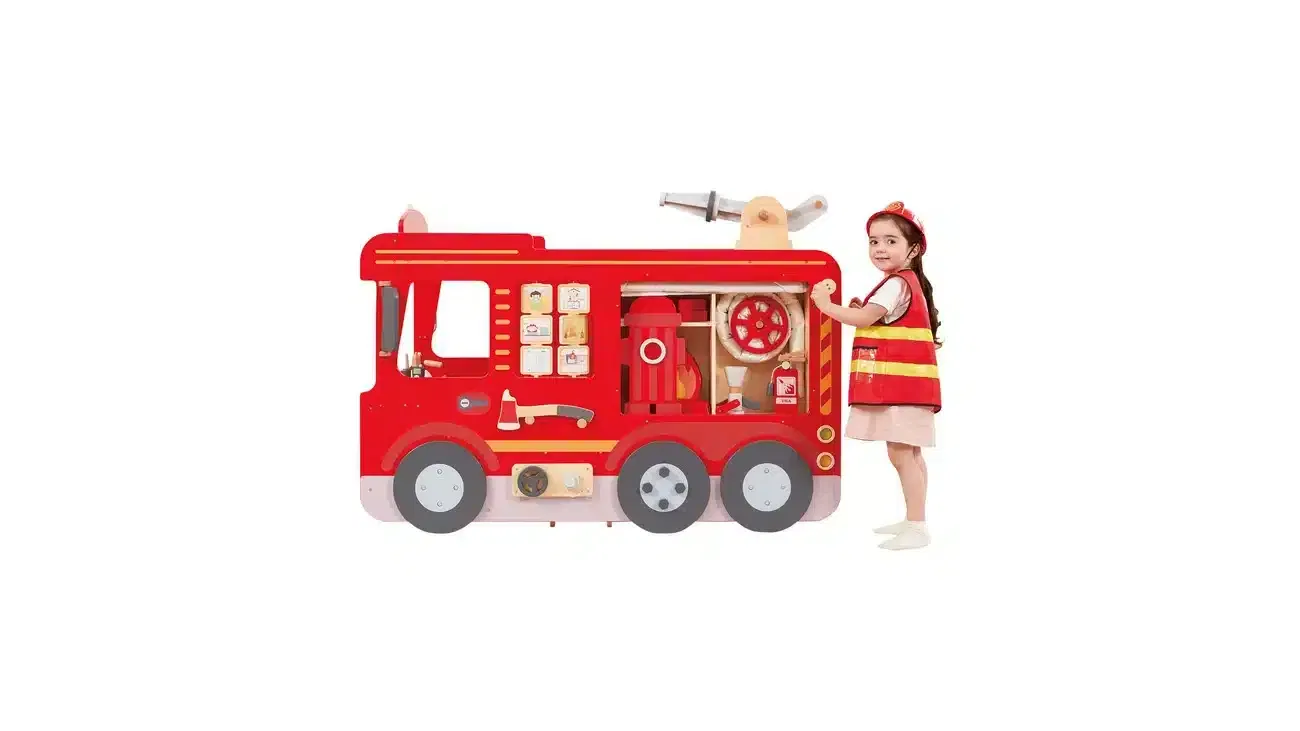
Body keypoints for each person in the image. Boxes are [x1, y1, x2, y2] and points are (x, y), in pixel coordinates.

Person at [811, 201, 941, 550]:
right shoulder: (903, 283)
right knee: (910, 455)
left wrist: (826, 306)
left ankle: (917, 526)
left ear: (913, 249)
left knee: (902, 455)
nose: (880, 248)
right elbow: (878, 318)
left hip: (900, 389)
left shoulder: (895, 284)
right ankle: (914, 520)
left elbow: (864, 318)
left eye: (890, 241)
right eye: (874, 241)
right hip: (910, 389)